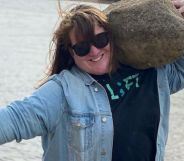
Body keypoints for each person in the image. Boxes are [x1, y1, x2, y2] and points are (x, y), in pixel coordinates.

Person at [0, 1, 184, 161]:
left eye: (100, 39)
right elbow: (14, 119)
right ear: (71, 52)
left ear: (113, 37)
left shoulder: (152, 72)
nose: (94, 51)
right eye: (82, 47)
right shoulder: (62, 91)